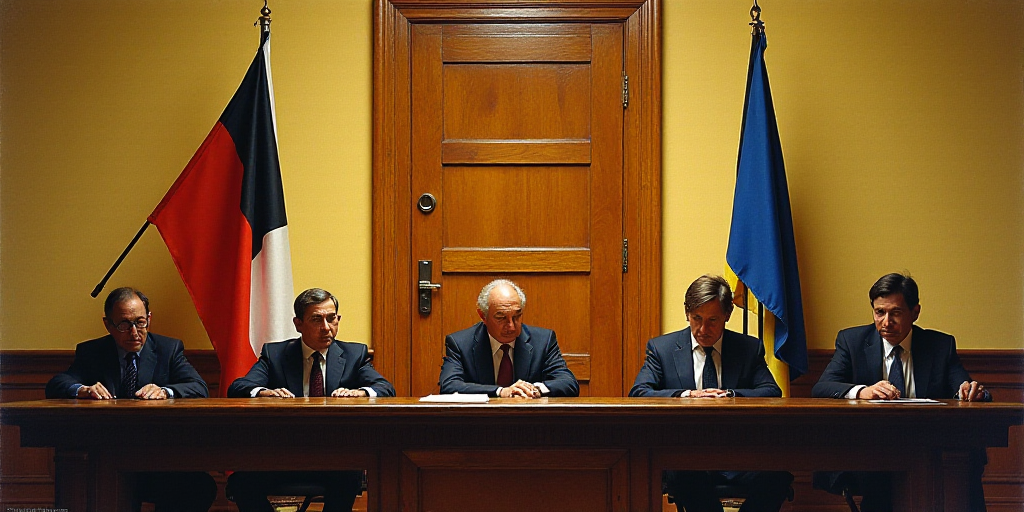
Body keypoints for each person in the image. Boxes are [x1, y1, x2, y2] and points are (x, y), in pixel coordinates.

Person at [812, 272, 990, 512]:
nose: (886, 322)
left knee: (966, 457)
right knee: (883, 468)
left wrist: (973, 392)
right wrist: (862, 391)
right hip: (871, 445)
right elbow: (822, 387)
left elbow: (966, 389)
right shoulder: (852, 341)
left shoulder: (940, 345)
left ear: (915, 312)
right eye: (879, 313)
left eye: (895, 313)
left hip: (928, 443)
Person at [630, 275, 792, 512]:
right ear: (687, 313)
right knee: (683, 473)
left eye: (712, 320)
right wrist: (687, 395)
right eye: (697, 318)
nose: (703, 329)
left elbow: (770, 392)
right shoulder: (662, 349)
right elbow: (639, 393)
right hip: (687, 457)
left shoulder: (748, 348)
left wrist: (728, 395)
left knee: (778, 475)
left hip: (740, 457)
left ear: (727, 316)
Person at [45, 287, 216, 512]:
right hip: (109, 458)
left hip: (160, 458)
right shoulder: (92, 352)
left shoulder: (168, 349)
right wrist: (82, 389)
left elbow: (199, 387)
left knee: (199, 487)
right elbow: (56, 384)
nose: (134, 332)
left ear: (149, 318)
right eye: (124, 325)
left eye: (141, 322)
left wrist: (166, 391)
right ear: (108, 325)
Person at [226, 287, 395, 512]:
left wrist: (361, 392)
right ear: (298, 324)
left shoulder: (354, 355)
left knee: (349, 477)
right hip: (281, 456)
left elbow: (385, 388)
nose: (326, 328)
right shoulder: (276, 355)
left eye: (331, 318)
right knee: (241, 483)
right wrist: (264, 392)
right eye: (317, 320)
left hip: (332, 457)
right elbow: (238, 387)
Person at [439, 279, 578, 398]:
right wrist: (501, 391)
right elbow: (449, 386)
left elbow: (568, 383)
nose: (511, 326)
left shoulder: (543, 341)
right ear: (483, 316)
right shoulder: (460, 343)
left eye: (517, 316)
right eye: (501, 318)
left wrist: (534, 389)